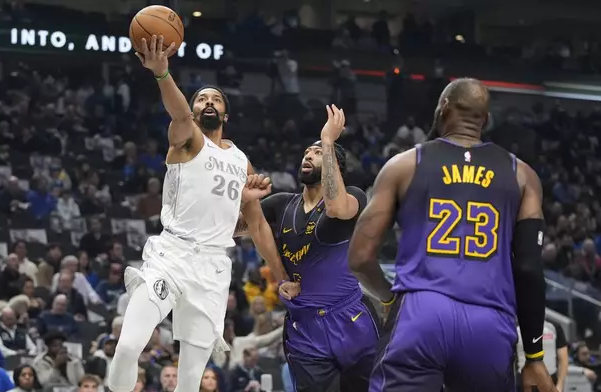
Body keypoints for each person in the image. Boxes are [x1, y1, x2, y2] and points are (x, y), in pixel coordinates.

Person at [347, 78, 557, 392]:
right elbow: (528, 268)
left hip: (421, 313)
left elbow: (360, 257)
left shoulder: (404, 165)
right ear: (485, 119)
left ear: (443, 108)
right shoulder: (523, 174)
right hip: (489, 322)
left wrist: (390, 299)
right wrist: (536, 357)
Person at [107, 35, 281, 392]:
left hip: (212, 267)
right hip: (171, 256)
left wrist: (281, 275)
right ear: (195, 109)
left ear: (225, 114)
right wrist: (161, 74)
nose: (208, 102)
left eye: (215, 98)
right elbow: (179, 112)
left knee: (190, 381)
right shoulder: (186, 137)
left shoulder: (240, 160)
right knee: (126, 348)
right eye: (202, 98)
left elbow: (251, 226)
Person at [236, 105, 379, 391]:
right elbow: (234, 230)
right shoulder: (281, 204)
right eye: (306, 153)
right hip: (305, 328)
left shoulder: (354, 197)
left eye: (316, 153)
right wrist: (246, 201)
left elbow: (337, 208)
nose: (308, 156)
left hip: (351, 321)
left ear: (333, 165)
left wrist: (327, 141)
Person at [516, 320, 569, 392]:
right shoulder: (516, 327)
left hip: (550, 379)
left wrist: (560, 385)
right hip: (524, 381)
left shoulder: (554, 327)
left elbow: (563, 359)